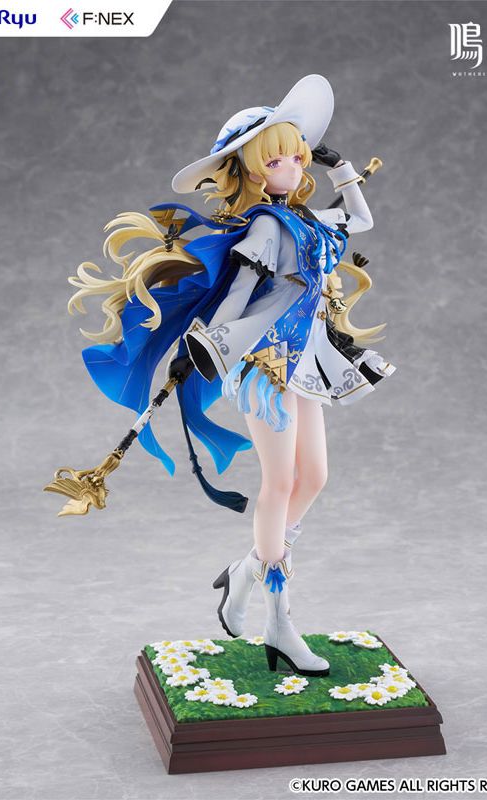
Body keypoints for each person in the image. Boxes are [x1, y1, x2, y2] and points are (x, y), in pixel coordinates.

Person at [68, 75, 395, 677]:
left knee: (314, 477)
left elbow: (362, 219)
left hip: (307, 361)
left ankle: (245, 572)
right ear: (251, 170)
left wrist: (342, 165)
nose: (293, 166)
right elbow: (238, 294)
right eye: (277, 159)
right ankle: (278, 621)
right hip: (266, 363)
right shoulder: (267, 227)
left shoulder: (310, 221)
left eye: (297, 156)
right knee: (278, 485)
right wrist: (205, 342)